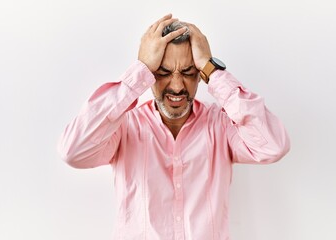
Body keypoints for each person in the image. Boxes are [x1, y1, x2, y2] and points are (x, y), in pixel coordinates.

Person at [58, 14, 290, 240]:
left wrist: (213, 70)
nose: (177, 86)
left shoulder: (221, 125)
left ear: (200, 75)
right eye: (163, 73)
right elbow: (73, 151)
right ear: (149, 74)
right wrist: (140, 71)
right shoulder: (124, 126)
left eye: (188, 72)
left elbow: (273, 146)